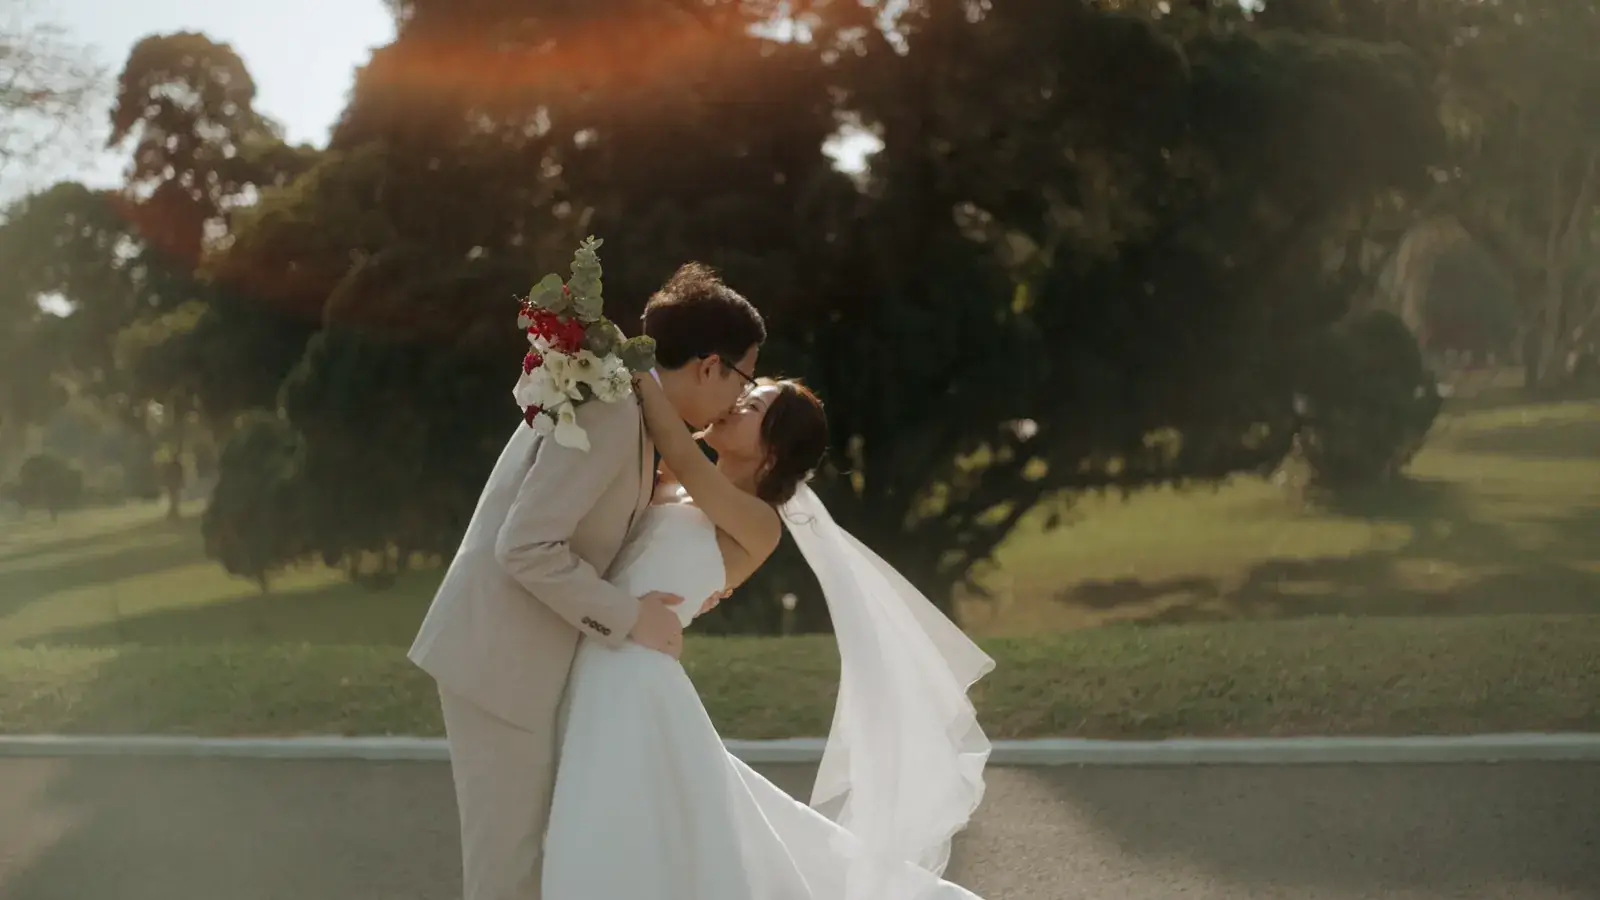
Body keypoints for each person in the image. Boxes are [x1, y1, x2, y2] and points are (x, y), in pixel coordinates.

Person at [540, 370, 997, 900]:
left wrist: (638, 371)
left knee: (611, 833)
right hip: (608, 663)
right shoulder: (667, 482)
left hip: (633, 681)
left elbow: (684, 453)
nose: (733, 405)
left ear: (773, 454)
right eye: (742, 396)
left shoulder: (757, 523)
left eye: (752, 407)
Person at [408, 263, 766, 900]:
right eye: (744, 377)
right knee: (508, 873)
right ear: (710, 365)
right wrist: (634, 617)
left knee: (543, 866)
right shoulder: (612, 408)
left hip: (532, 664)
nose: (740, 397)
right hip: (501, 664)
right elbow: (525, 545)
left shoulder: (629, 407)